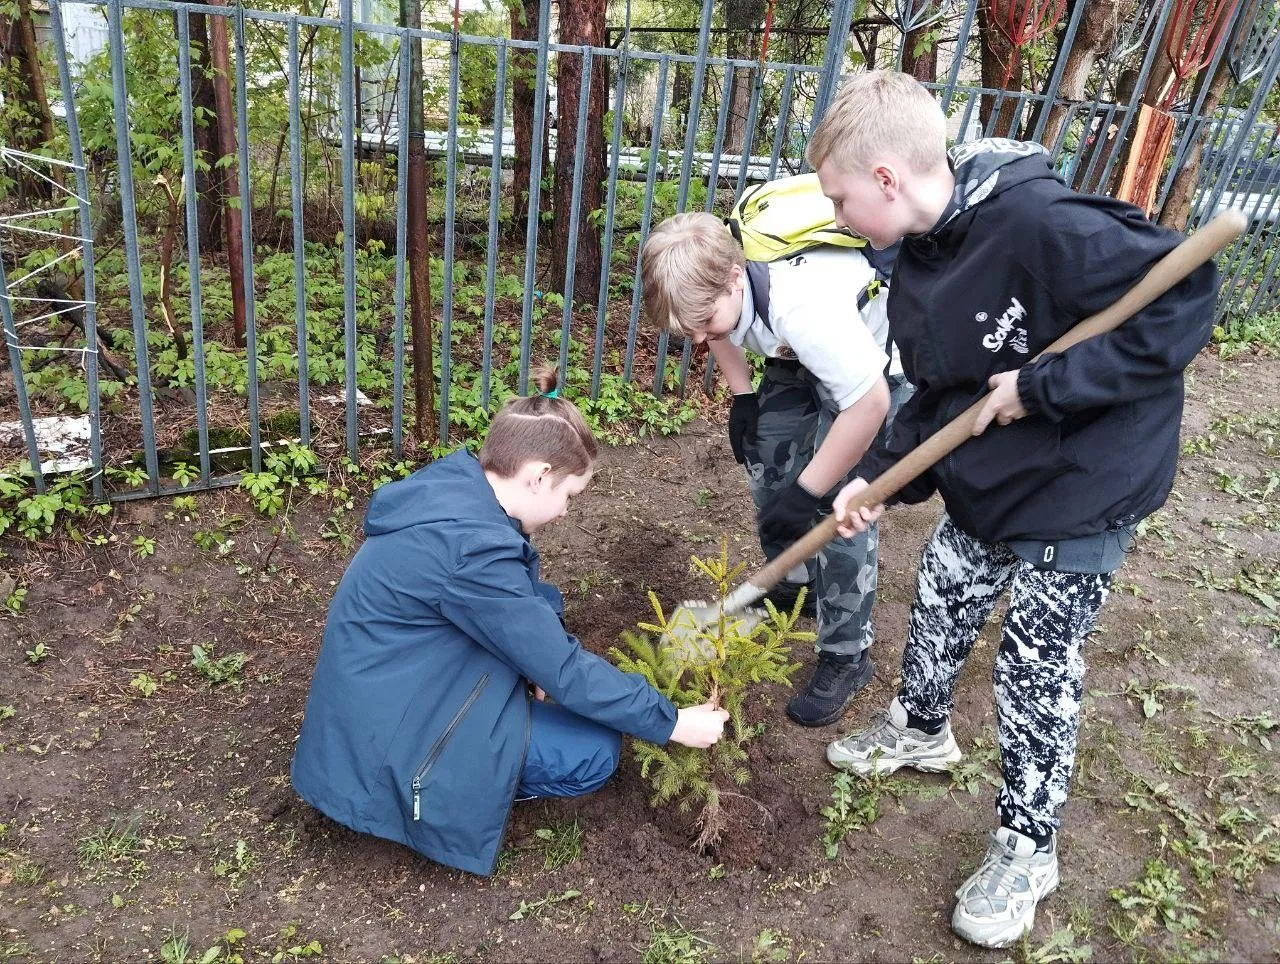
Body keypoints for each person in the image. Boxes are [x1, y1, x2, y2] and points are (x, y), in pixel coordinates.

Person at [809, 71, 1216, 948]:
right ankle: (921, 728)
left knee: (1035, 667)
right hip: (996, 476)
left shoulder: (1045, 224)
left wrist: (1047, 385)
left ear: (885, 178)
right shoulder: (917, 260)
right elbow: (938, 398)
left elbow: (1184, 296)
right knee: (944, 593)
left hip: (1085, 481)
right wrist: (874, 481)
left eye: (840, 198)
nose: (837, 217)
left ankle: (1028, 847)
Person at [290, 368, 730, 877]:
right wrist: (672, 722)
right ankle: (454, 792)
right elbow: (563, 670)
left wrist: (541, 645)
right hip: (381, 745)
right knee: (592, 752)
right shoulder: (474, 551)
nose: (567, 512)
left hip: (382, 695)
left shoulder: (459, 494)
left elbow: (522, 601)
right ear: (539, 474)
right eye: (570, 496)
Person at [640, 211, 911, 727]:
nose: (699, 338)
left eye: (705, 324)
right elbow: (713, 325)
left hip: (872, 367)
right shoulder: (723, 271)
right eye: (688, 330)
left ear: (735, 277)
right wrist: (743, 397)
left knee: (841, 513)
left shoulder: (801, 309)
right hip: (797, 353)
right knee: (770, 469)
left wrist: (812, 490)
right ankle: (795, 584)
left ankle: (846, 654)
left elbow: (868, 405)